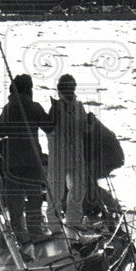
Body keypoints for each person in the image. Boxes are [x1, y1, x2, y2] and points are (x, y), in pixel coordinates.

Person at [0, 73, 52, 249]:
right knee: (34, 198)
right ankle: (35, 232)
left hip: (12, 161)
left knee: (15, 200)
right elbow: (49, 126)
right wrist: (56, 111)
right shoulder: (33, 107)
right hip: (31, 160)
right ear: (28, 89)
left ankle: (19, 236)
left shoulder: (8, 108)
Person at [47, 73, 89, 229]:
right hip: (58, 156)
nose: (71, 91)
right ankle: (54, 224)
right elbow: (48, 129)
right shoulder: (55, 108)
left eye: (72, 88)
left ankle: (73, 221)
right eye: (67, 88)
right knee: (55, 191)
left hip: (76, 154)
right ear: (60, 90)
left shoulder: (79, 107)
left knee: (78, 189)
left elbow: (85, 128)